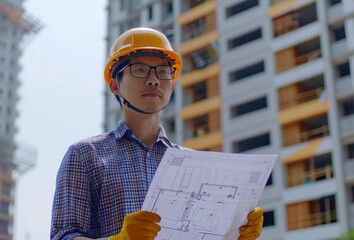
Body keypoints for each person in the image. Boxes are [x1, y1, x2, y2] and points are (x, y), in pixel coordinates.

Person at [50, 27, 264, 240]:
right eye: (140, 70)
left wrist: (234, 235)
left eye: (162, 71)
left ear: (171, 87)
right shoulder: (85, 155)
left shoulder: (193, 163)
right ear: (115, 85)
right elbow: (63, 236)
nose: (153, 80)